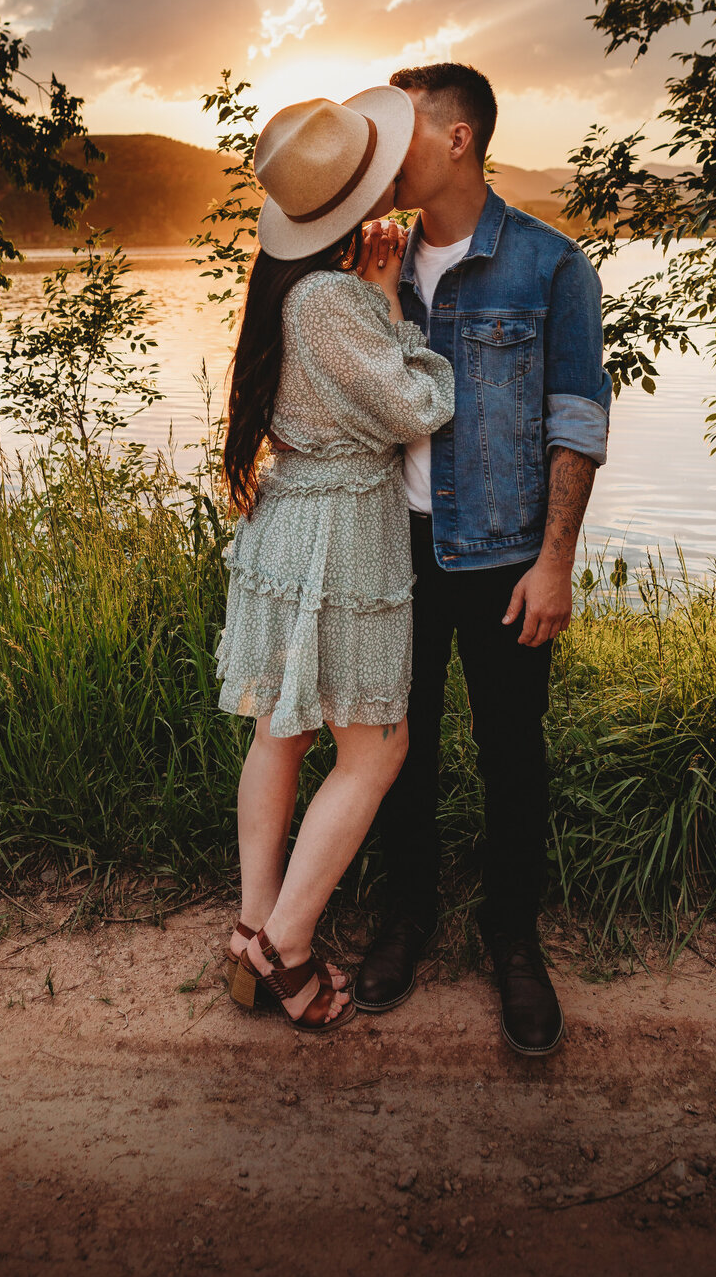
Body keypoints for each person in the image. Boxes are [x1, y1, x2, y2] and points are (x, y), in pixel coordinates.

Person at [352, 62, 610, 1056]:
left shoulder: (550, 266)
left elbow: (576, 424)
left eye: (400, 129)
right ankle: (405, 916)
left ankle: (512, 937)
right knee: (395, 753)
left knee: (513, 756)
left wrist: (555, 563)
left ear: (458, 136)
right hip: (396, 551)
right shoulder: (373, 266)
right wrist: (372, 298)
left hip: (506, 556)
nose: (382, 149)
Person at [216, 87, 455, 1033]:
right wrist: (394, 304)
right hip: (343, 528)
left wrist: (373, 293)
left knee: (282, 727)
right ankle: (288, 947)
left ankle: (249, 928)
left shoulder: (289, 286)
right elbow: (419, 405)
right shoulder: (335, 300)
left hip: (290, 519)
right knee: (377, 745)